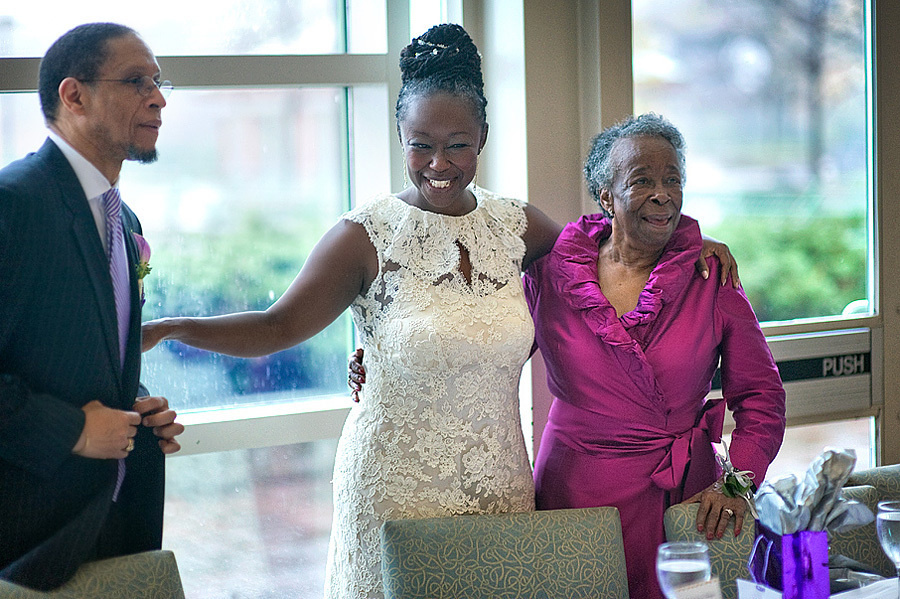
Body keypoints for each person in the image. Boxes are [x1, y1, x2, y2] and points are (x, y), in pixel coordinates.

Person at [142, 25, 734, 598]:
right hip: (397, 487)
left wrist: (688, 242)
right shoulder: (364, 236)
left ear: (482, 138)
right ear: (400, 136)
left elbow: (610, 254)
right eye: (421, 145)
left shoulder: (518, 226)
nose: (439, 164)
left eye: (457, 145)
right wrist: (173, 327)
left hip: (499, 486)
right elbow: (278, 326)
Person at [524, 113, 786, 599]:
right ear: (606, 196)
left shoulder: (711, 276)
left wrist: (738, 483)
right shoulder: (552, 271)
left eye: (673, 180)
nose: (663, 194)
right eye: (642, 181)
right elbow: (495, 348)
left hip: (681, 500)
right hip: (572, 492)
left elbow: (762, 397)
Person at [0, 23, 184, 590]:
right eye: (136, 82)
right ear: (74, 95)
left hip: (115, 525)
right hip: (26, 546)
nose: (157, 99)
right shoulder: (13, 204)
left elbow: (85, 351)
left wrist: (135, 407)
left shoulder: (124, 221)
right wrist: (75, 430)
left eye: (158, 83)